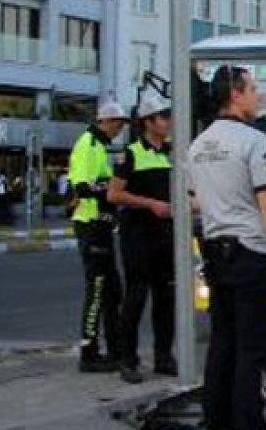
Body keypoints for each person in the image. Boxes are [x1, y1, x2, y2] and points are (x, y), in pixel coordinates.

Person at [189, 66, 266, 430]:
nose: (259, 96)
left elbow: (196, 201)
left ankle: (216, 420)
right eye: (253, 89)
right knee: (256, 350)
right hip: (254, 257)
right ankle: (249, 422)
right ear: (235, 95)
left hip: (217, 256)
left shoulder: (198, 145)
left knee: (223, 345)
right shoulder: (254, 141)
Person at [108, 93, 176, 384]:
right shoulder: (131, 154)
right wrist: (150, 204)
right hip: (138, 234)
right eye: (164, 117)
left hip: (166, 234)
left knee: (167, 296)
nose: (169, 122)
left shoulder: (172, 152)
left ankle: (163, 355)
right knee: (136, 296)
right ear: (148, 122)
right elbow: (114, 194)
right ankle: (128, 359)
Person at [70, 100, 129, 373]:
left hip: (102, 226)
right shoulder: (89, 144)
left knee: (112, 292)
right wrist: (110, 192)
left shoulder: (101, 146)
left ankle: (115, 348)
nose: (119, 129)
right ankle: (89, 352)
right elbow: (83, 187)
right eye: (117, 123)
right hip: (91, 224)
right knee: (96, 290)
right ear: (104, 121)